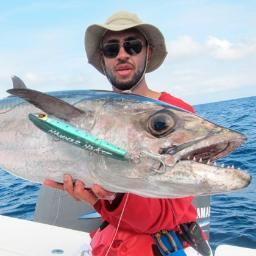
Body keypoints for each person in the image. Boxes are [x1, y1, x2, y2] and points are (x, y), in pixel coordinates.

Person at [44, 11, 211, 256]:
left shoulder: (176, 113)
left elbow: (167, 213)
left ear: (148, 52)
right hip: (109, 243)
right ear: (103, 59)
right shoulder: (92, 114)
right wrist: (97, 197)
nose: (122, 54)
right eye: (112, 49)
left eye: (132, 46)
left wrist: (110, 198)